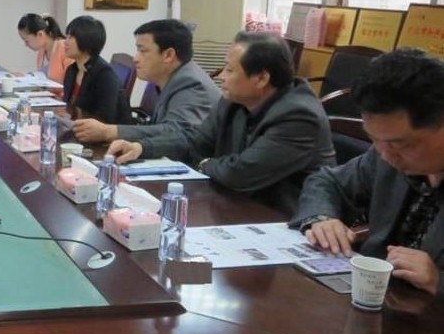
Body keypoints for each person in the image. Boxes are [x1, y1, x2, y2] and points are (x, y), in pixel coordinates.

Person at [108, 31, 335, 214]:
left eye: (230, 69)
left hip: (280, 218)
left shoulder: (298, 116)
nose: (221, 76)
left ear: (262, 78)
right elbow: (195, 142)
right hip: (234, 203)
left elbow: (241, 174)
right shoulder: (234, 101)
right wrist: (142, 147)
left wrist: (205, 163)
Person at [291, 49, 444, 298]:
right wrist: (322, 218)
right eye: (373, 139)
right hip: (374, 297)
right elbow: (327, 181)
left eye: (400, 145)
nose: (386, 155)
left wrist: (438, 280)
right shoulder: (385, 152)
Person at [73, 19, 220, 144]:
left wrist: (109, 132)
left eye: (142, 51)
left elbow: (175, 133)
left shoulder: (192, 84)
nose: (135, 58)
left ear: (168, 55)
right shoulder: (174, 78)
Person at [62, 15, 132, 125]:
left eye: (71, 37)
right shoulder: (72, 70)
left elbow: (105, 118)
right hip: (78, 126)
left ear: (86, 40)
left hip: (106, 132)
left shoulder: (104, 75)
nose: (65, 42)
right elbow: (69, 107)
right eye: (67, 36)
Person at [17, 13, 73, 84]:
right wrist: (25, 77)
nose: (25, 44)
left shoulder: (64, 48)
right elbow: (42, 77)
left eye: (26, 40)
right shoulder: (42, 51)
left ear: (40, 34)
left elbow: (71, 82)